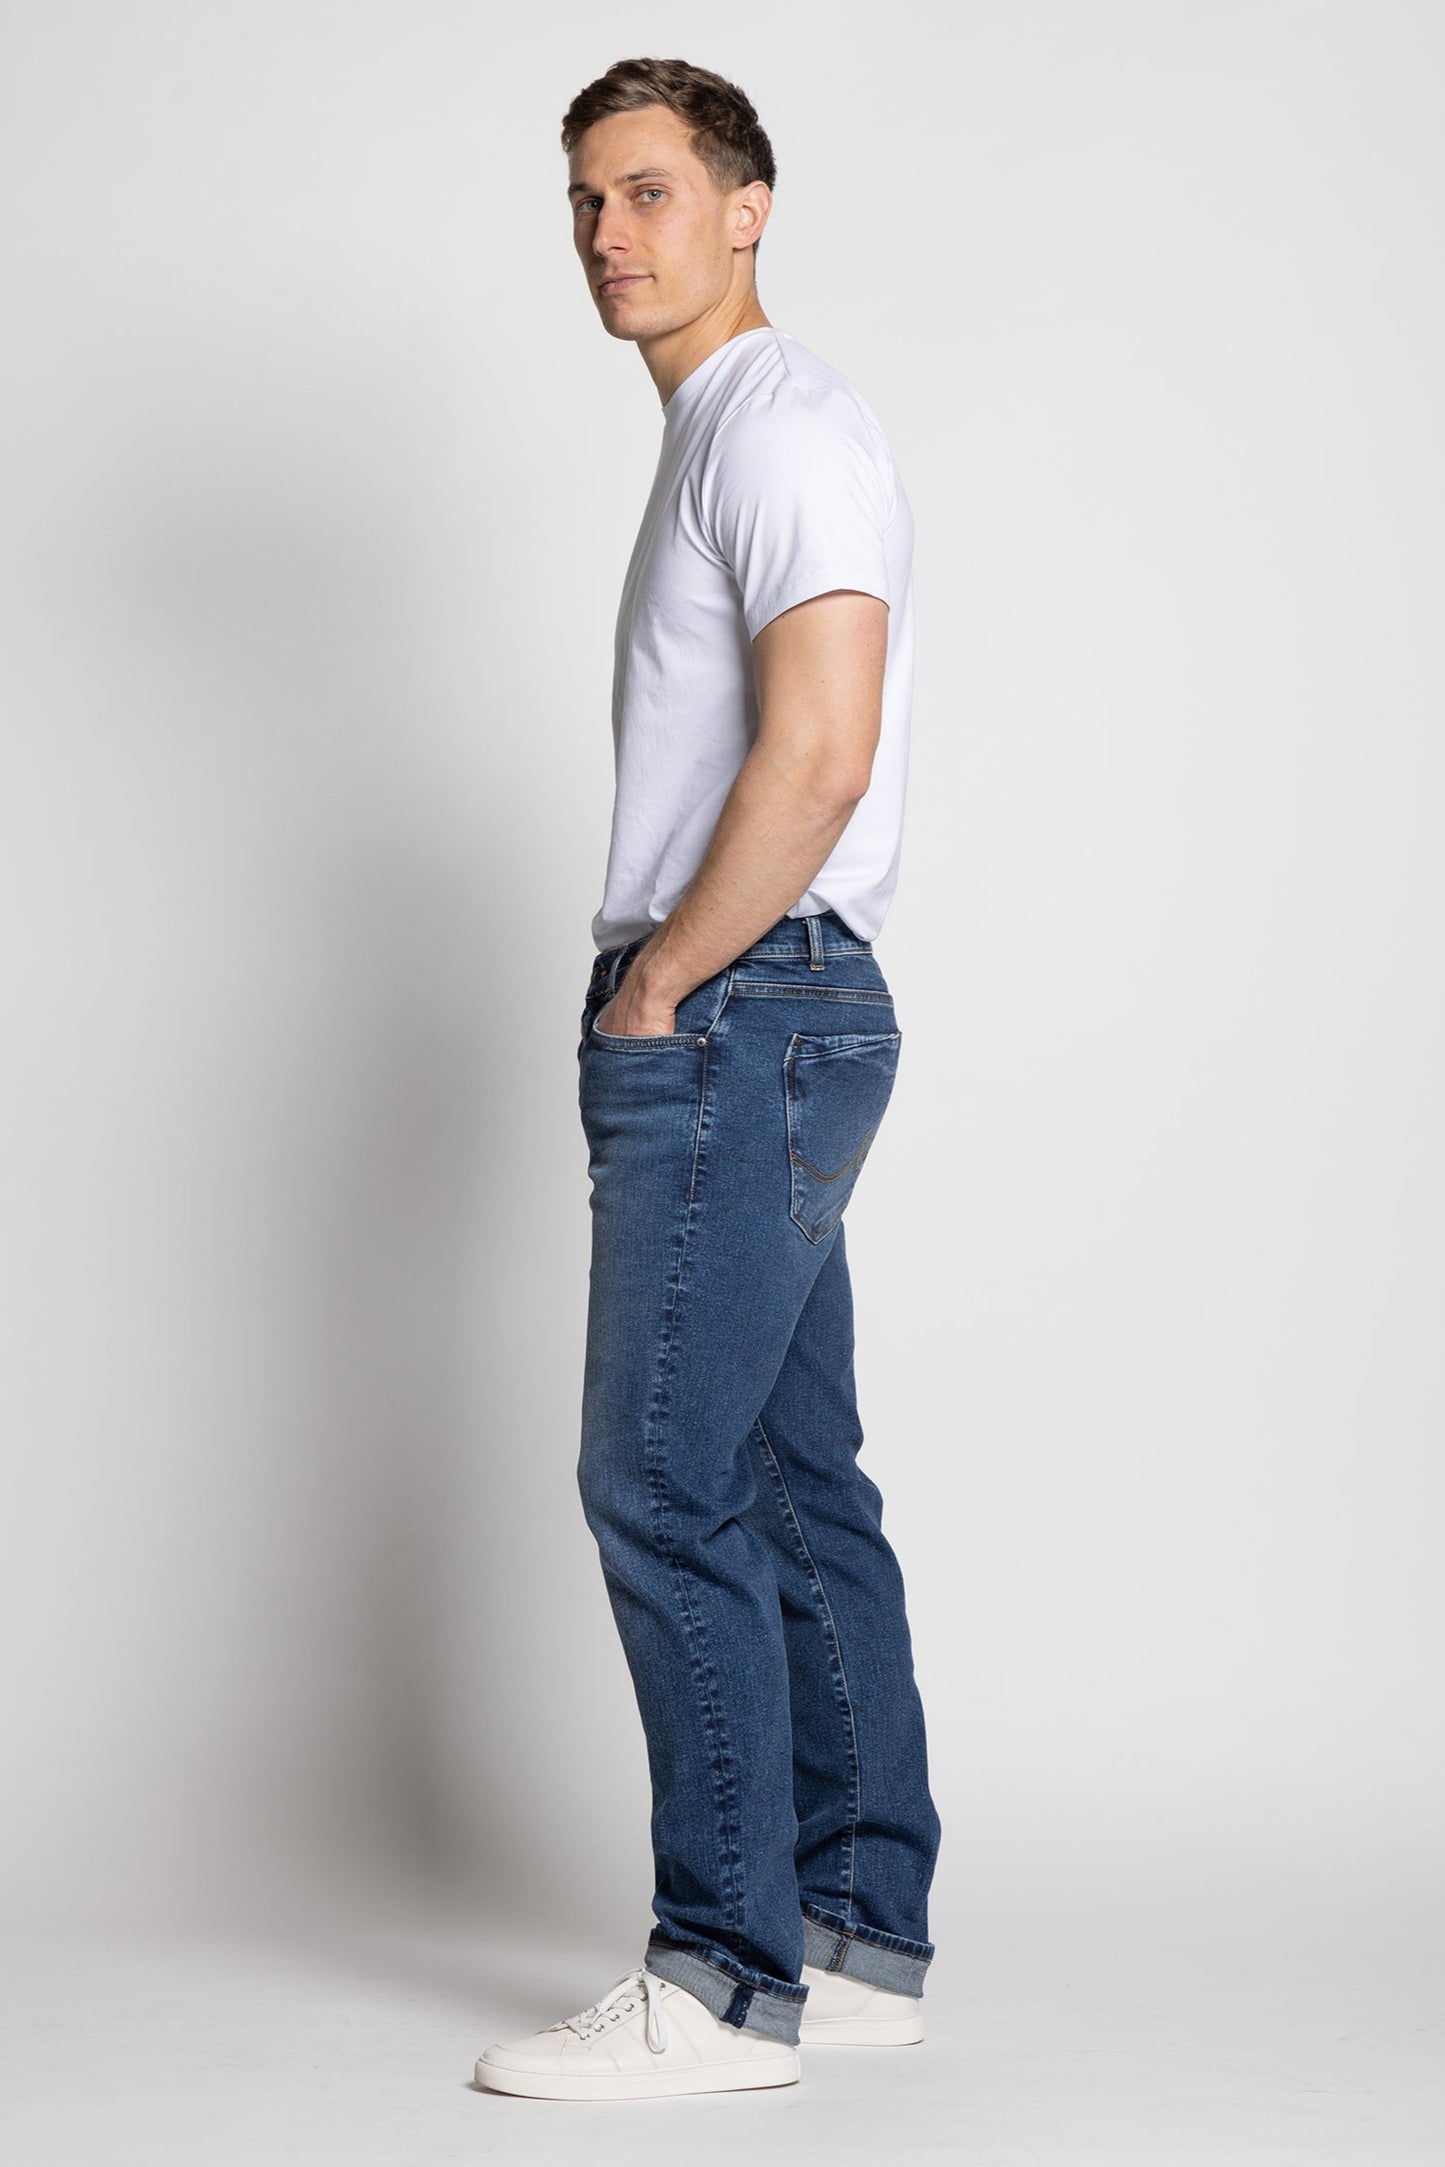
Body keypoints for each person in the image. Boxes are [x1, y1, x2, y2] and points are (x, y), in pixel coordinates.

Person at [475, 56, 943, 2103]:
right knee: (778, 1474)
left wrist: (663, 980)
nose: (610, 234)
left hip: (745, 1010)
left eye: (651, 192)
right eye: (584, 201)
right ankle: (854, 1931)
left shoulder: (783, 425)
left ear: (748, 205)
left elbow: (819, 751)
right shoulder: (724, 435)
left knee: (661, 1481)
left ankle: (717, 1977)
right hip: (775, 1007)